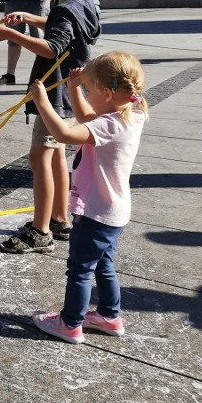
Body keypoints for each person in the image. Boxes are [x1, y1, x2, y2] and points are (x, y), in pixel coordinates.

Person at [0, 0, 100, 254]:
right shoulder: (85, 4)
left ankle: (40, 232)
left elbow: (53, 46)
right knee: (56, 156)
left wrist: (11, 35)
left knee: (39, 157)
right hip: (70, 94)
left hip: (54, 94)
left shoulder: (64, 11)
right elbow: (61, 28)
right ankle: (61, 219)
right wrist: (28, 18)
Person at [29, 52, 148, 343]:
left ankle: (70, 323)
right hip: (114, 212)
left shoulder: (110, 125)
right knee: (104, 265)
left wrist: (43, 102)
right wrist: (74, 88)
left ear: (107, 93)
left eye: (91, 90)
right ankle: (110, 316)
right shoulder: (130, 114)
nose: (88, 94)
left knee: (80, 270)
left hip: (95, 212)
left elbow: (66, 133)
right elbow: (87, 118)